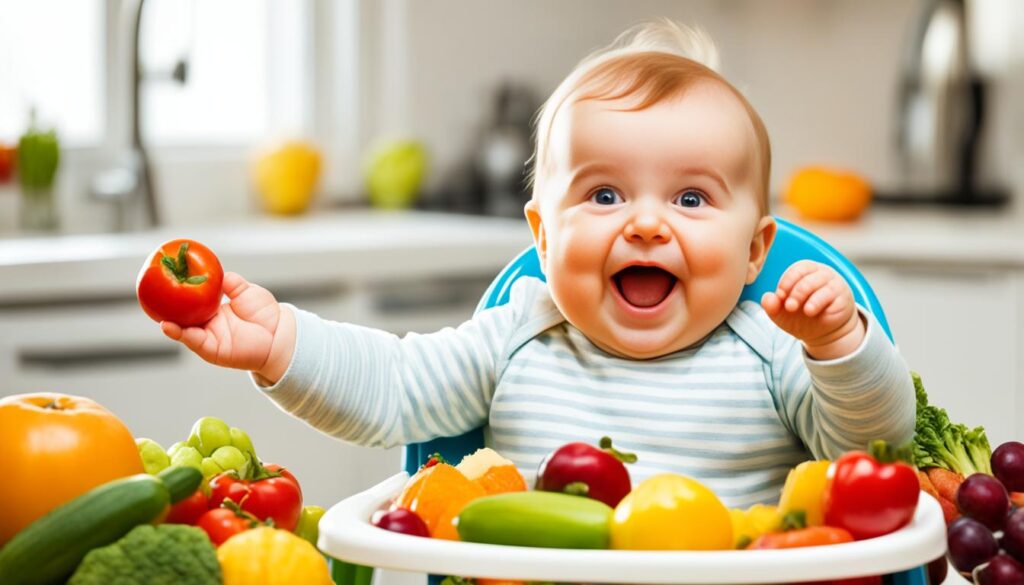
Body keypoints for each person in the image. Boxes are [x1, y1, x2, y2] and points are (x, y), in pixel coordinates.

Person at [160, 20, 914, 507]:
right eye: (605, 192)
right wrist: (280, 345)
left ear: (756, 251)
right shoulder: (517, 334)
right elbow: (392, 385)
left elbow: (873, 448)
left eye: (690, 198)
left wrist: (838, 344)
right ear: (543, 238)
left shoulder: (774, 353)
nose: (646, 224)